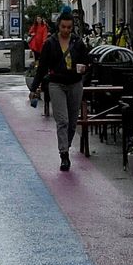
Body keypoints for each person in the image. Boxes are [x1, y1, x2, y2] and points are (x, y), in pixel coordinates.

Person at [29, 12, 90, 171]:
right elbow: (42, 68)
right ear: (58, 26)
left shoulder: (78, 42)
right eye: (63, 27)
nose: (66, 30)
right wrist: (34, 87)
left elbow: (87, 61)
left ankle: (65, 146)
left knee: (72, 122)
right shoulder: (50, 43)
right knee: (62, 120)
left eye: (69, 27)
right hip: (56, 84)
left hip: (75, 83)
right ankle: (64, 154)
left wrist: (84, 69)